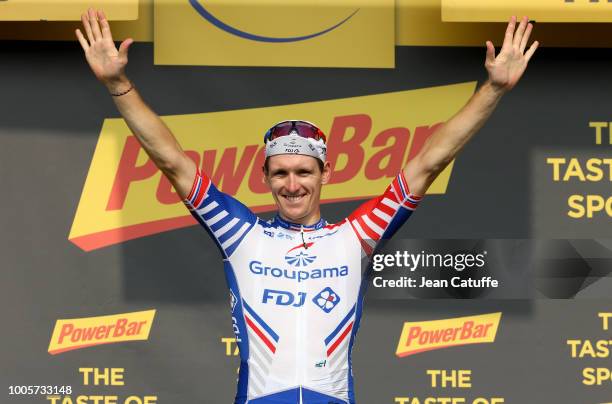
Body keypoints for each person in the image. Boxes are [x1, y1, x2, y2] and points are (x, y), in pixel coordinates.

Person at [76, 9, 537, 404]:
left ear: (325, 174)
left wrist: (493, 89)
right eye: (280, 173)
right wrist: (119, 84)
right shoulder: (241, 233)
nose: (292, 184)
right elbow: (172, 161)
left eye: (303, 171)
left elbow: (429, 162)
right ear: (265, 178)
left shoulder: (355, 234)